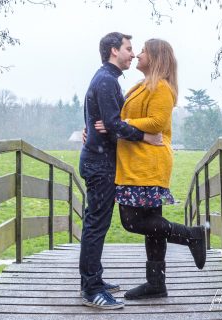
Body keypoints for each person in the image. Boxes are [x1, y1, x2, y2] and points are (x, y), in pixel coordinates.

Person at [95, 38, 206, 300]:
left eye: (143, 50)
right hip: (138, 161)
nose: (138, 55)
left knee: (132, 221)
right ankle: (156, 283)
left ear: (155, 57)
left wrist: (121, 122)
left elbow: (157, 122)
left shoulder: (162, 88)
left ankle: (192, 235)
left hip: (147, 164)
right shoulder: (142, 86)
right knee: (151, 223)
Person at [79, 32, 163, 309]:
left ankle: (94, 280)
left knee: (97, 224)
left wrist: (92, 128)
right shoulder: (106, 81)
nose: (133, 54)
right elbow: (113, 124)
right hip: (100, 165)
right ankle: (92, 289)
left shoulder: (106, 79)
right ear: (114, 51)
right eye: (128, 49)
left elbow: (104, 121)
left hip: (100, 161)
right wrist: (146, 137)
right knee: (96, 226)